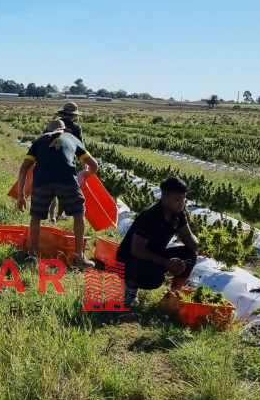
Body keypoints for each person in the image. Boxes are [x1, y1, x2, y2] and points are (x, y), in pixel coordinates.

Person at [15, 118, 98, 271]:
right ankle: (79, 258)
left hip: (42, 181)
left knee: (36, 217)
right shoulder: (72, 138)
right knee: (79, 214)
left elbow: (23, 169)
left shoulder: (40, 141)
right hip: (66, 180)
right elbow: (94, 165)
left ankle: (33, 254)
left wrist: (21, 196)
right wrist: (86, 174)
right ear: (64, 130)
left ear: (48, 131)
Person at [116, 176, 198, 307]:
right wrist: (167, 263)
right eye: (177, 199)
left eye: (184, 198)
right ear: (164, 197)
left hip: (153, 256)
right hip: (128, 260)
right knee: (156, 278)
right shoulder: (150, 216)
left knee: (189, 255)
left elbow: (188, 237)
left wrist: (196, 246)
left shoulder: (178, 214)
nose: (181, 203)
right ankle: (130, 290)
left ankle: (171, 297)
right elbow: (137, 250)